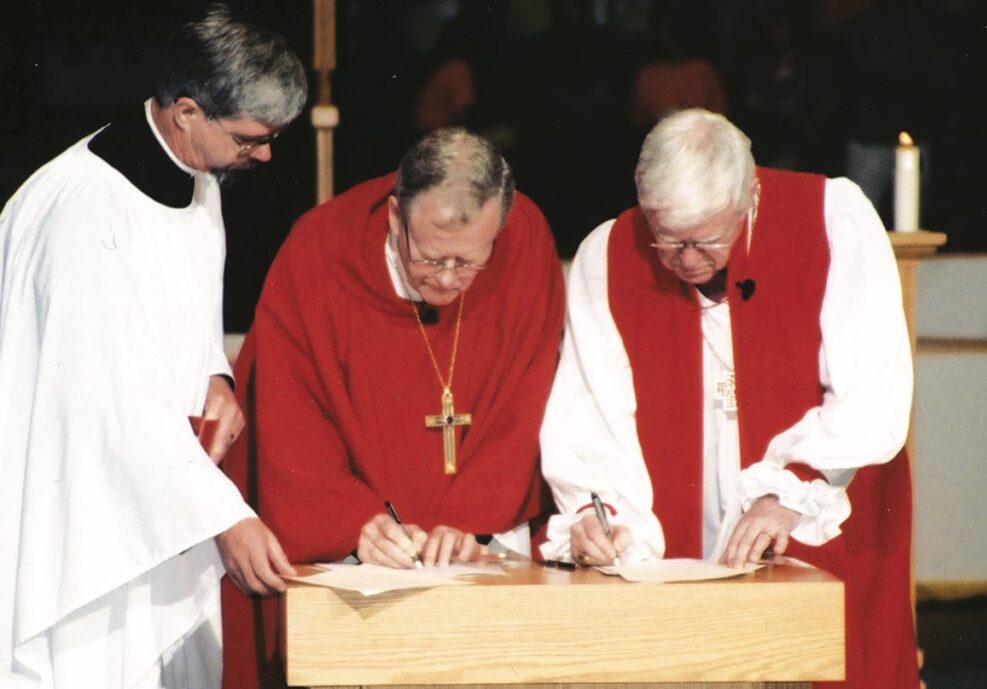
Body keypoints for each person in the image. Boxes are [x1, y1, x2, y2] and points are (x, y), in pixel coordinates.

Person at [540, 109, 918, 689]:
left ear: (750, 194)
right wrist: (602, 515)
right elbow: (591, 416)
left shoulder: (832, 219)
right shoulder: (607, 255)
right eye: (667, 239)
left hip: (821, 513)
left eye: (707, 239)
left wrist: (788, 492)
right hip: (681, 533)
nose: (687, 261)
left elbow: (871, 388)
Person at [0, 5, 307, 688]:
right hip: (88, 509)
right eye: (252, 137)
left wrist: (213, 374)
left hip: (160, 493)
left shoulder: (199, 178)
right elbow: (106, 400)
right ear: (187, 112)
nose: (264, 155)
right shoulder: (83, 212)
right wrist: (224, 514)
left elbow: (186, 314)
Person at [219, 126, 565, 689]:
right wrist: (355, 521)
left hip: (484, 556)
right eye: (431, 259)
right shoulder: (319, 249)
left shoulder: (524, 236)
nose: (450, 279)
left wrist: (473, 517)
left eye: (469, 262)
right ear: (394, 217)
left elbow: (530, 395)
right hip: (362, 573)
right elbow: (290, 414)